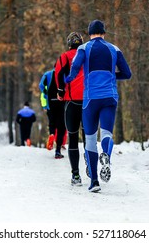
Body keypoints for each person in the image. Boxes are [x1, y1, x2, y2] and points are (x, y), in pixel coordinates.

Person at [65, 20, 132, 192]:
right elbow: (127, 73)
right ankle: (107, 157)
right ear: (104, 32)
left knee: (91, 139)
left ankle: (94, 181)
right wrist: (111, 77)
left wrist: (69, 79)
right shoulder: (114, 49)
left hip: (90, 99)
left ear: (89, 33)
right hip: (110, 96)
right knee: (107, 133)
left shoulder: (83, 48)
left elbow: (76, 66)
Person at [55, 32, 86, 186]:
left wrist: (60, 91)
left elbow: (59, 74)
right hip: (88, 101)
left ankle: (76, 175)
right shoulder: (88, 54)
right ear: (81, 42)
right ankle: (92, 171)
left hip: (72, 101)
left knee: (73, 138)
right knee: (89, 137)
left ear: (69, 44)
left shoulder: (65, 56)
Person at [38, 69, 66, 159]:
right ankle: (58, 151)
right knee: (61, 127)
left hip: (50, 103)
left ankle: (52, 134)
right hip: (62, 102)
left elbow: (41, 85)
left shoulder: (47, 74)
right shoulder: (65, 73)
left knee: (52, 122)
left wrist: (46, 92)